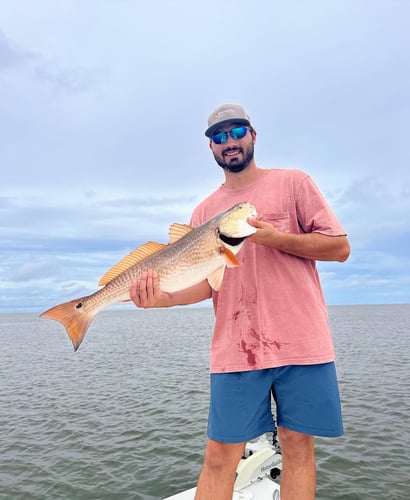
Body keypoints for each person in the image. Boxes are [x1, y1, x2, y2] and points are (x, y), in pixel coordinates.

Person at [130, 103, 350, 500]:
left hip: (303, 344)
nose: (228, 142)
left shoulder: (294, 182)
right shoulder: (202, 212)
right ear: (211, 148)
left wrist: (273, 237)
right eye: (218, 137)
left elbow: (339, 248)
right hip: (236, 349)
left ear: (253, 135)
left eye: (236, 132)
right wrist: (160, 299)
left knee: (298, 447)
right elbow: (208, 285)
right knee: (218, 457)